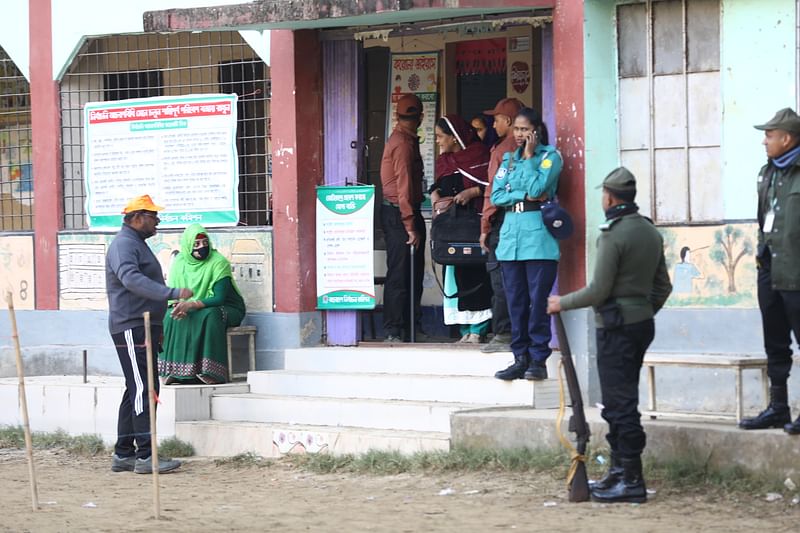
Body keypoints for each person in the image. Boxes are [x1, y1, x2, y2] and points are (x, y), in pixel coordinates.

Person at [547, 167, 672, 504]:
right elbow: (663, 287)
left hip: (615, 326)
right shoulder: (649, 231)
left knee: (619, 405)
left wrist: (562, 302)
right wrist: (642, 312)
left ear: (610, 197)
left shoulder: (613, 234)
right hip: (640, 324)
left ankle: (631, 479)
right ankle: (619, 471)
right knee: (623, 400)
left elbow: (599, 290)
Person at [105, 194, 191, 474]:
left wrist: (159, 326)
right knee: (144, 388)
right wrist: (172, 293)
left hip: (146, 326)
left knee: (136, 388)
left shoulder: (136, 244)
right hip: (131, 325)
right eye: (154, 216)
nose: (158, 221)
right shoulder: (123, 245)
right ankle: (145, 455)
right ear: (137, 217)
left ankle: (124, 454)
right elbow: (131, 280)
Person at [739, 107, 800, 435]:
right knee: (775, 344)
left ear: (786, 138)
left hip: (797, 273)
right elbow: (764, 219)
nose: (765, 141)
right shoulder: (767, 172)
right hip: (770, 270)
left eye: (769, 135)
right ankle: (778, 407)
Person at [490, 107, 562, 381]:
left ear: (536, 130)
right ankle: (519, 357)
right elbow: (496, 196)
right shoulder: (507, 160)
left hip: (538, 239)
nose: (519, 134)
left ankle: (538, 359)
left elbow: (536, 191)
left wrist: (530, 159)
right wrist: (522, 194)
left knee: (537, 301)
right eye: (516, 129)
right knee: (515, 301)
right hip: (511, 237)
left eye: (524, 129)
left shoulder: (549, 157)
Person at [430, 114, 493, 343]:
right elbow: (436, 186)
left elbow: (491, 185)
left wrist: (472, 192)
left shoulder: (480, 156)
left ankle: (479, 328)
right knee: (454, 276)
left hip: (474, 225)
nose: (437, 141)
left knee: (475, 272)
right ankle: (465, 330)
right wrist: (435, 196)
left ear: (454, 138)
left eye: (440, 136)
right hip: (450, 229)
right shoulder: (444, 161)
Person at [159, 224, 246, 385]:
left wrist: (191, 305)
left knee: (209, 315)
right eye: (196, 244)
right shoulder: (179, 262)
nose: (202, 248)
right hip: (192, 306)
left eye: (205, 243)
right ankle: (174, 371)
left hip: (226, 308)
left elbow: (219, 298)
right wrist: (179, 305)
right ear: (187, 246)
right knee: (170, 317)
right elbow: (173, 293)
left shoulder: (218, 262)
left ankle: (210, 371)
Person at [479, 98, 524, 353]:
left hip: (503, 221)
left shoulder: (501, 151)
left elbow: (492, 193)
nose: (493, 123)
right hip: (525, 221)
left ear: (508, 121)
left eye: (496, 119)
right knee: (520, 277)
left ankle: (504, 333)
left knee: (500, 278)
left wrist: (485, 226)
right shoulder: (532, 148)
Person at [380, 93, 426, 343]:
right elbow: (405, 188)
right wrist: (410, 225)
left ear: (397, 116)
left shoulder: (403, 139)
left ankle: (408, 327)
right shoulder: (404, 145)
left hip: (400, 211)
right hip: (400, 213)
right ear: (420, 117)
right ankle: (394, 329)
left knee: (412, 272)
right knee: (400, 273)